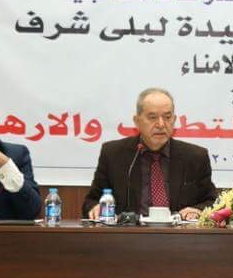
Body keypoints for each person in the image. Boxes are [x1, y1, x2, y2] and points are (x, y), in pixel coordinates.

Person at [82, 88, 218, 220]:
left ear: (174, 119)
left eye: (167, 117)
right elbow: (92, 201)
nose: (161, 124)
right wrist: (95, 208)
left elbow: (213, 202)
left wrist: (198, 210)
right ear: (137, 121)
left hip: (178, 234)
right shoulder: (113, 154)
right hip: (129, 233)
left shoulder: (195, 157)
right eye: (152, 117)